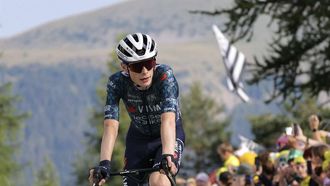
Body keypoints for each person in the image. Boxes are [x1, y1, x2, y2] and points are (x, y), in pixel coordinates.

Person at [88, 33, 185, 186]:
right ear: (125, 67)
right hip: (138, 138)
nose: (145, 71)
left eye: (149, 63)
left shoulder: (165, 76)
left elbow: (168, 119)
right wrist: (104, 163)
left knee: (159, 181)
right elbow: (111, 125)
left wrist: (167, 154)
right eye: (137, 66)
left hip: (167, 135)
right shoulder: (117, 82)